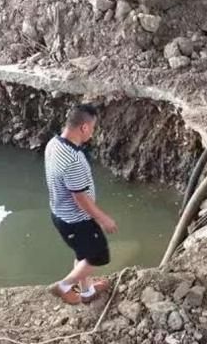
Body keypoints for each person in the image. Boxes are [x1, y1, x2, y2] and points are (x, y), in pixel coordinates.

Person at [45, 104, 118, 304]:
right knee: (98, 256)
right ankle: (63, 286)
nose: (92, 133)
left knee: (83, 254)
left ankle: (87, 292)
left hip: (60, 214)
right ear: (84, 127)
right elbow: (80, 198)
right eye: (93, 128)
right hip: (77, 220)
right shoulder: (73, 160)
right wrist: (103, 218)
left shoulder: (54, 143)